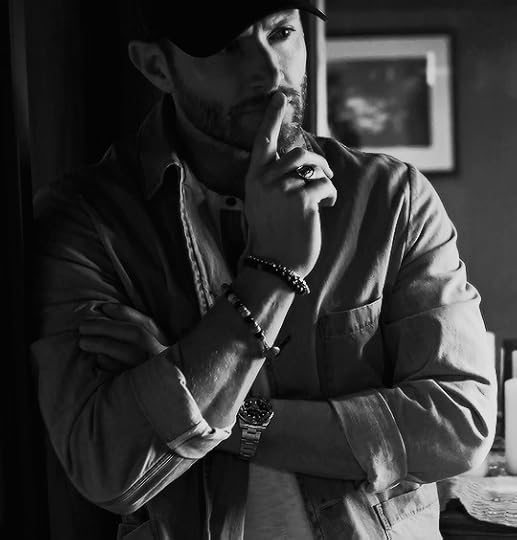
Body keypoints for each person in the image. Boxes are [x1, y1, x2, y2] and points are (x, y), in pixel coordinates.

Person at [30, 1, 497, 538]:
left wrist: (222, 417)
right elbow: (110, 473)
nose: (268, 69)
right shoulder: (87, 221)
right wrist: (273, 270)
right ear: (156, 66)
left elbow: (458, 425)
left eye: (281, 32)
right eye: (228, 47)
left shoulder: (392, 199)